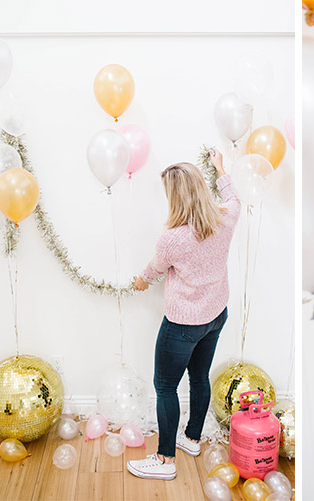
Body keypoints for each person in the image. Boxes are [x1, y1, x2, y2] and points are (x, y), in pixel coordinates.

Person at [126, 149, 240, 481]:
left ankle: (164, 461)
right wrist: (221, 168)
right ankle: (191, 439)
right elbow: (233, 196)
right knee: (199, 378)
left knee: (165, 386)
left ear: (175, 198)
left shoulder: (172, 239)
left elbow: (155, 269)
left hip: (183, 325)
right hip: (216, 315)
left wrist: (141, 280)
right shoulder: (226, 217)